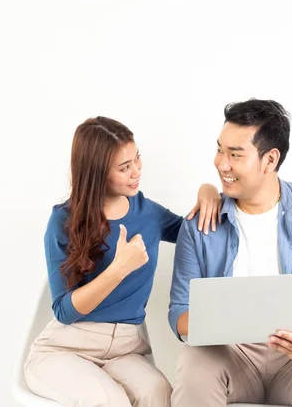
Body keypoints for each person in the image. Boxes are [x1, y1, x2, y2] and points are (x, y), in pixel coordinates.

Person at [169, 99, 292, 407]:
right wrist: (215, 321)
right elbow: (179, 312)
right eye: (220, 149)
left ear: (270, 159)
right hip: (228, 353)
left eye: (235, 154)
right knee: (193, 370)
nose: (221, 163)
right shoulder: (200, 223)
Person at [25, 116, 221, 407]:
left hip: (126, 349)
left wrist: (209, 190)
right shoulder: (63, 221)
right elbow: (64, 311)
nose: (136, 171)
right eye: (123, 167)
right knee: (110, 401)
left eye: (137, 159)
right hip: (65, 348)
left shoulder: (148, 213)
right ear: (97, 173)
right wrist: (118, 269)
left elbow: (197, 234)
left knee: (159, 392)